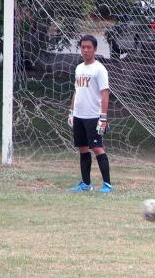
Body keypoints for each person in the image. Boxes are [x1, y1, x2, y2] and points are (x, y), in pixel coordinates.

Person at [68, 34, 112, 193]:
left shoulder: (99, 69)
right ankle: (86, 184)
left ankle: (107, 184)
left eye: (89, 47)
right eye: (83, 47)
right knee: (82, 148)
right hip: (79, 116)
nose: (85, 50)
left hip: (93, 116)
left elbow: (105, 93)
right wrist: (71, 112)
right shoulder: (79, 68)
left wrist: (103, 117)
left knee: (97, 148)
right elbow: (76, 91)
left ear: (94, 49)